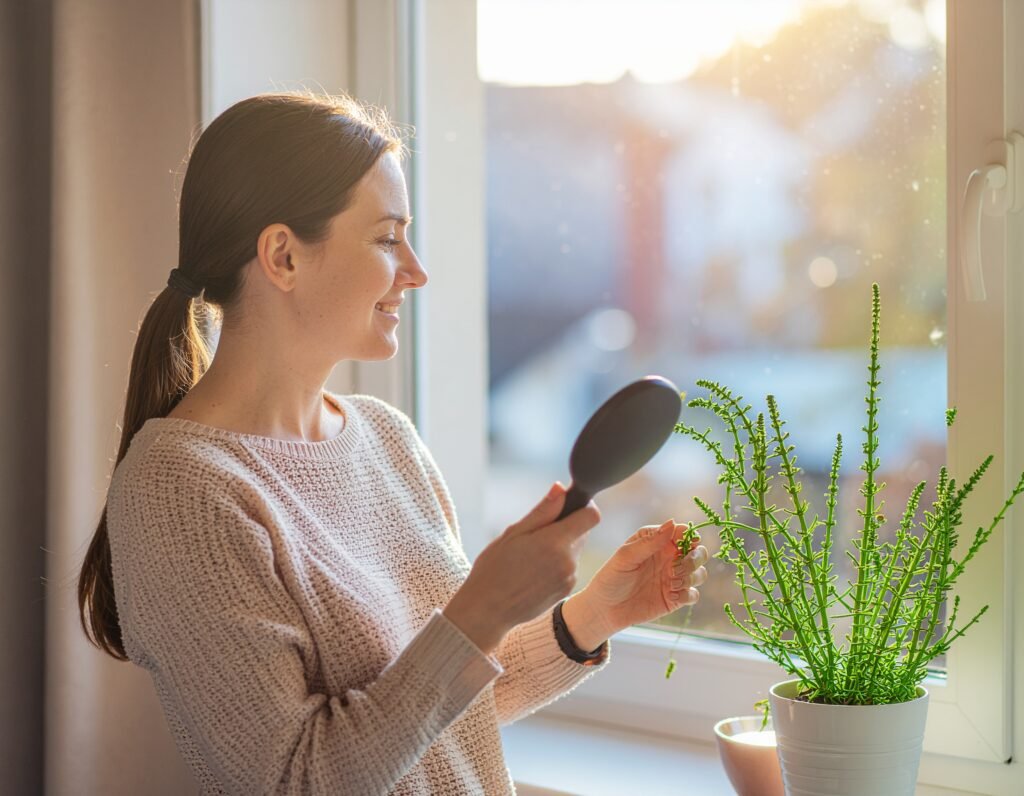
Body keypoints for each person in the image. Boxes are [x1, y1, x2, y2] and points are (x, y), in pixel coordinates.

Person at [76, 90, 710, 795]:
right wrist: (482, 611)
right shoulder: (181, 491)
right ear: (283, 256)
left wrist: (594, 616)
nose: (416, 269)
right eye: (386, 237)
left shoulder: (386, 439)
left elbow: (434, 722)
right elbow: (299, 780)